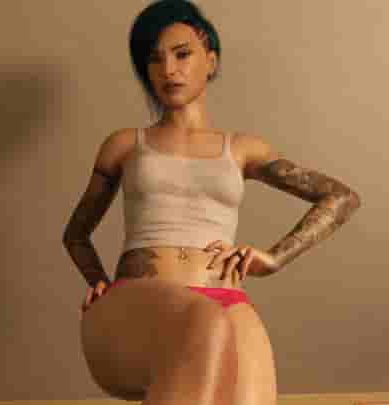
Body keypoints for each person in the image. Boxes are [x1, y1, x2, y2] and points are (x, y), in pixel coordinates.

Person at [63, 1, 362, 404]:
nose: (168, 69)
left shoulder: (243, 148)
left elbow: (341, 197)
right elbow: (76, 234)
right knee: (204, 320)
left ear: (211, 60)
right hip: (141, 297)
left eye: (182, 54)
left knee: (246, 367)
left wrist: (274, 258)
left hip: (225, 296)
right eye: (154, 60)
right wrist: (98, 281)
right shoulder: (125, 144)